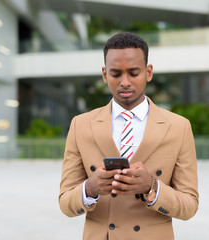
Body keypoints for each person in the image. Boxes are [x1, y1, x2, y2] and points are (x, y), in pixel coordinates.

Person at [59, 32, 199, 240]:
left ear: (148, 72)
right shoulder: (81, 125)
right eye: (116, 74)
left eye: (134, 73)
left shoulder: (178, 127)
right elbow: (65, 204)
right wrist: (91, 188)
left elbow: (190, 206)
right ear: (105, 75)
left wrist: (152, 186)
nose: (125, 82)